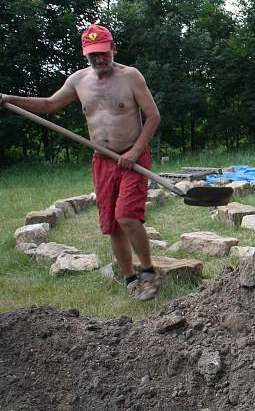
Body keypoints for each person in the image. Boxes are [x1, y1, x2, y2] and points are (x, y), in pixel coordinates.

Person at [0, 24, 163, 301]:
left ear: (113, 48)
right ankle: (130, 278)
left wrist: (135, 152)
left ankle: (148, 272)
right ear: (85, 55)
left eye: (103, 53)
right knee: (112, 225)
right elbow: (49, 105)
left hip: (131, 157)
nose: (99, 60)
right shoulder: (79, 81)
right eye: (92, 55)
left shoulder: (131, 77)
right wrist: (8, 99)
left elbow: (153, 116)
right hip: (103, 160)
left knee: (127, 217)